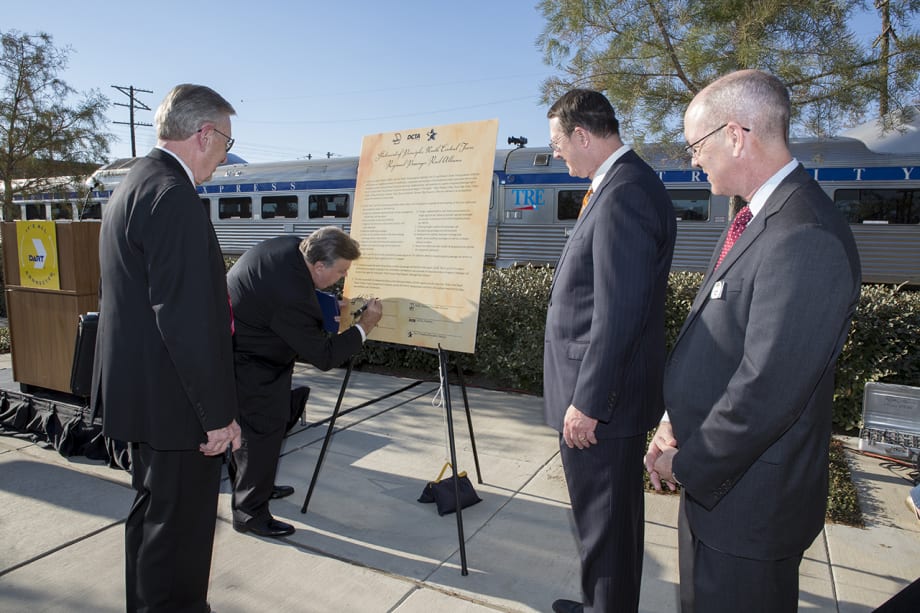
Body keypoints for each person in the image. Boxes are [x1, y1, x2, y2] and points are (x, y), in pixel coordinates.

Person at [645, 69, 861, 612]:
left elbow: (766, 388)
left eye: (696, 144)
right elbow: (721, 342)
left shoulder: (803, 234)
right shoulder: (755, 215)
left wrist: (688, 465)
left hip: (748, 507)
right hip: (722, 491)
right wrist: (674, 420)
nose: (693, 160)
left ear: (735, 135)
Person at [91, 84, 242, 613]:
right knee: (180, 529)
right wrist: (218, 415)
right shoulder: (174, 196)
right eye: (225, 141)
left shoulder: (134, 183)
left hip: (145, 398)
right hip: (178, 408)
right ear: (204, 134)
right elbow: (186, 319)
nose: (225, 156)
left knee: (155, 520)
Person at [543, 89, 677, 613]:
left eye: (558, 142)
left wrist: (590, 401)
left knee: (606, 525)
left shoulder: (625, 193)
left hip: (601, 405)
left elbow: (618, 312)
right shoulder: (618, 186)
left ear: (581, 134)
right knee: (605, 524)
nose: (556, 153)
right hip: (602, 399)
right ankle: (602, 602)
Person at [227, 228, 382, 538]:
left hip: (246, 349)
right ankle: (249, 513)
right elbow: (324, 356)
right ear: (320, 266)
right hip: (250, 364)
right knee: (261, 433)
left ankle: (256, 486)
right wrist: (364, 326)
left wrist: (327, 306)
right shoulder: (289, 293)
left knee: (257, 435)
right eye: (341, 271)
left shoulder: (292, 247)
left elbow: (300, 298)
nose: (342, 278)